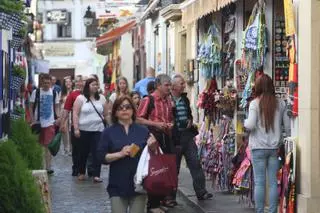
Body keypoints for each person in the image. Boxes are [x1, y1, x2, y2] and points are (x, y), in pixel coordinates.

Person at [97, 96, 157, 213]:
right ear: (115, 112)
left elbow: (152, 156)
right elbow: (101, 157)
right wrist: (120, 154)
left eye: (128, 107)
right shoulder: (108, 132)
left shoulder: (143, 130)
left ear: (133, 110)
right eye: (120, 108)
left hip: (139, 184)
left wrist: (153, 146)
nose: (124, 110)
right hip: (117, 184)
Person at [244, 74, 290, 213]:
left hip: (258, 148)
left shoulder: (254, 104)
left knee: (259, 182)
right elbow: (287, 128)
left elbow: (250, 125)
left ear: (257, 87)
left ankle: (259, 211)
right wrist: (282, 140)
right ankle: (272, 211)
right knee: (272, 183)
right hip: (274, 149)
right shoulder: (280, 103)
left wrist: (245, 123)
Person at [171, 74, 213, 203]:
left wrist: (189, 120)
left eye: (184, 83)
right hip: (174, 138)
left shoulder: (184, 99)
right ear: (173, 86)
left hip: (187, 136)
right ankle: (170, 196)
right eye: (181, 83)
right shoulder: (167, 100)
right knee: (174, 168)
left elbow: (188, 113)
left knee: (195, 163)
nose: (184, 85)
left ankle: (201, 192)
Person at [137, 74, 174, 213]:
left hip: (166, 137)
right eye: (167, 85)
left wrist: (170, 125)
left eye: (170, 85)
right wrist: (156, 124)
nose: (169, 88)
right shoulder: (148, 99)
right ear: (158, 85)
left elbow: (170, 118)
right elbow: (138, 120)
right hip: (153, 138)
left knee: (164, 171)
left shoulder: (168, 101)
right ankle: (152, 205)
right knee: (154, 171)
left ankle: (158, 201)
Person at [73, 78, 109, 182]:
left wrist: (110, 127)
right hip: (83, 129)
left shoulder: (101, 98)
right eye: (93, 85)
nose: (96, 87)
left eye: (97, 85)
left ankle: (96, 175)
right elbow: (75, 113)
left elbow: (106, 114)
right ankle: (81, 172)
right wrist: (76, 128)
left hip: (98, 129)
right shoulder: (80, 98)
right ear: (87, 86)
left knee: (97, 152)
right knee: (83, 152)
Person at [30, 73, 60, 174]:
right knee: (38, 145)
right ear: (41, 82)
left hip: (50, 122)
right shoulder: (36, 92)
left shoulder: (54, 93)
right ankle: (40, 165)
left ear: (51, 83)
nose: (46, 84)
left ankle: (48, 167)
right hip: (38, 123)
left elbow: (56, 106)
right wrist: (32, 119)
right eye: (45, 82)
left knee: (48, 145)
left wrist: (58, 118)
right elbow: (31, 106)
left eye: (48, 82)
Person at [60, 75, 84, 176]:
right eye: (78, 82)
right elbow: (66, 110)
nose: (80, 83)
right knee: (76, 148)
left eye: (81, 81)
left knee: (86, 149)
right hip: (75, 124)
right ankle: (76, 168)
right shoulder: (73, 95)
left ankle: (87, 169)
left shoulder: (89, 94)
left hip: (88, 126)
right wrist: (63, 122)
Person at [60, 76, 73, 155]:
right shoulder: (62, 93)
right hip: (63, 112)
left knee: (72, 130)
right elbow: (58, 104)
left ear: (72, 83)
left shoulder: (74, 92)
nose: (68, 83)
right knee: (65, 130)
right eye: (66, 82)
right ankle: (66, 148)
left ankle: (72, 148)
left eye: (69, 81)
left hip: (72, 112)